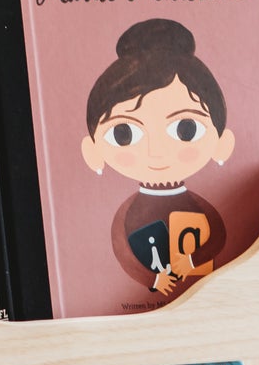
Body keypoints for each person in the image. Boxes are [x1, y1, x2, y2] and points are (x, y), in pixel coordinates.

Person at [80, 17, 234, 302]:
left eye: (186, 129)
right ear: (93, 151)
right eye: (123, 133)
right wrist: (153, 279)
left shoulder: (200, 205)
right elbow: (123, 249)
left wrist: (192, 260)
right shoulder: (127, 213)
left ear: (222, 144)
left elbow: (217, 235)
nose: (156, 152)